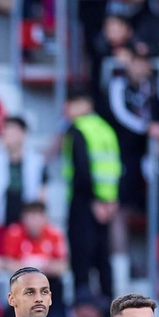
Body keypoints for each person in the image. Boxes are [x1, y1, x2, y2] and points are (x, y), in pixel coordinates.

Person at [61, 86, 119, 299]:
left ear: (85, 105)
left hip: (85, 202)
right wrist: (111, 201)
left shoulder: (78, 129)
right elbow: (116, 168)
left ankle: (83, 305)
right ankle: (108, 305)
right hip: (107, 205)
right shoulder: (106, 130)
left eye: (71, 104)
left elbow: (81, 170)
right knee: (104, 257)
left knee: (81, 257)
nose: (67, 109)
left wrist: (94, 201)